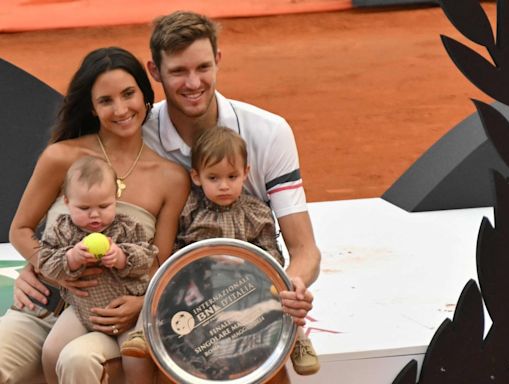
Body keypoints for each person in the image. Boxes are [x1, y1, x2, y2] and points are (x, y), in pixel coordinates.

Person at [142, 10, 321, 375]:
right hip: (174, 307)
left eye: (203, 68)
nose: (193, 83)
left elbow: (304, 249)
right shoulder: (137, 136)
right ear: (155, 71)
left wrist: (294, 286)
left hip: (253, 301)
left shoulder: (270, 133)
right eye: (178, 72)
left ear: (218, 60)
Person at [1, 47, 190, 384]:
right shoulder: (61, 156)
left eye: (129, 94)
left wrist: (141, 304)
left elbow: (160, 260)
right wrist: (52, 269)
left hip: (110, 318)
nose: (120, 109)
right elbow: (20, 229)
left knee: (77, 361)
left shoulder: (171, 178)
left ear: (146, 95)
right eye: (106, 100)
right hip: (43, 305)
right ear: (91, 106)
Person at [122, 126, 319, 374]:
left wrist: (252, 267)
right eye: (213, 178)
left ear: (246, 173)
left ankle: (299, 341)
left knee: (283, 291)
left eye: (232, 177)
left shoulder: (256, 213)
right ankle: (144, 331)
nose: (223, 186)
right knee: (163, 287)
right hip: (199, 285)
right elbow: (175, 250)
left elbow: (272, 256)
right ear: (196, 177)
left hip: (244, 284)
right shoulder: (189, 209)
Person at [38, 156, 158, 383]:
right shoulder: (62, 230)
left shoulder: (127, 226)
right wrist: (71, 258)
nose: (94, 215)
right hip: (83, 309)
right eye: (84, 208)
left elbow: (147, 258)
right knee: (51, 350)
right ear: (66, 201)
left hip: (128, 310)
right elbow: (45, 264)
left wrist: (122, 257)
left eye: (104, 206)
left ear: (116, 199)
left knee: (136, 357)